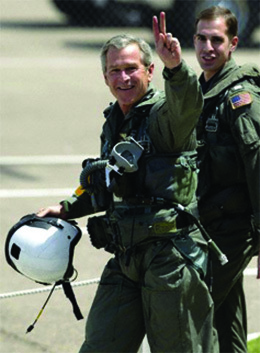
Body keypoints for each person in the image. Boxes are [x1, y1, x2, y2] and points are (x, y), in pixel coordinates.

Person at [37, 12, 219, 353]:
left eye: (131, 68)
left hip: (170, 259)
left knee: (180, 347)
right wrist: (67, 208)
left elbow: (188, 105)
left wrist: (176, 69)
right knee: (102, 344)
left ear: (150, 71)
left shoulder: (164, 117)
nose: (123, 77)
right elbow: (108, 181)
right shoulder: (115, 121)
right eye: (115, 70)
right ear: (105, 76)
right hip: (125, 255)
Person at [194, 6, 260, 353]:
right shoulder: (205, 90)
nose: (207, 47)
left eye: (216, 39)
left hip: (236, 229)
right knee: (226, 316)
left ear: (232, 43)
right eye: (201, 38)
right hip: (212, 225)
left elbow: (258, 164)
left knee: (191, 308)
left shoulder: (240, 98)